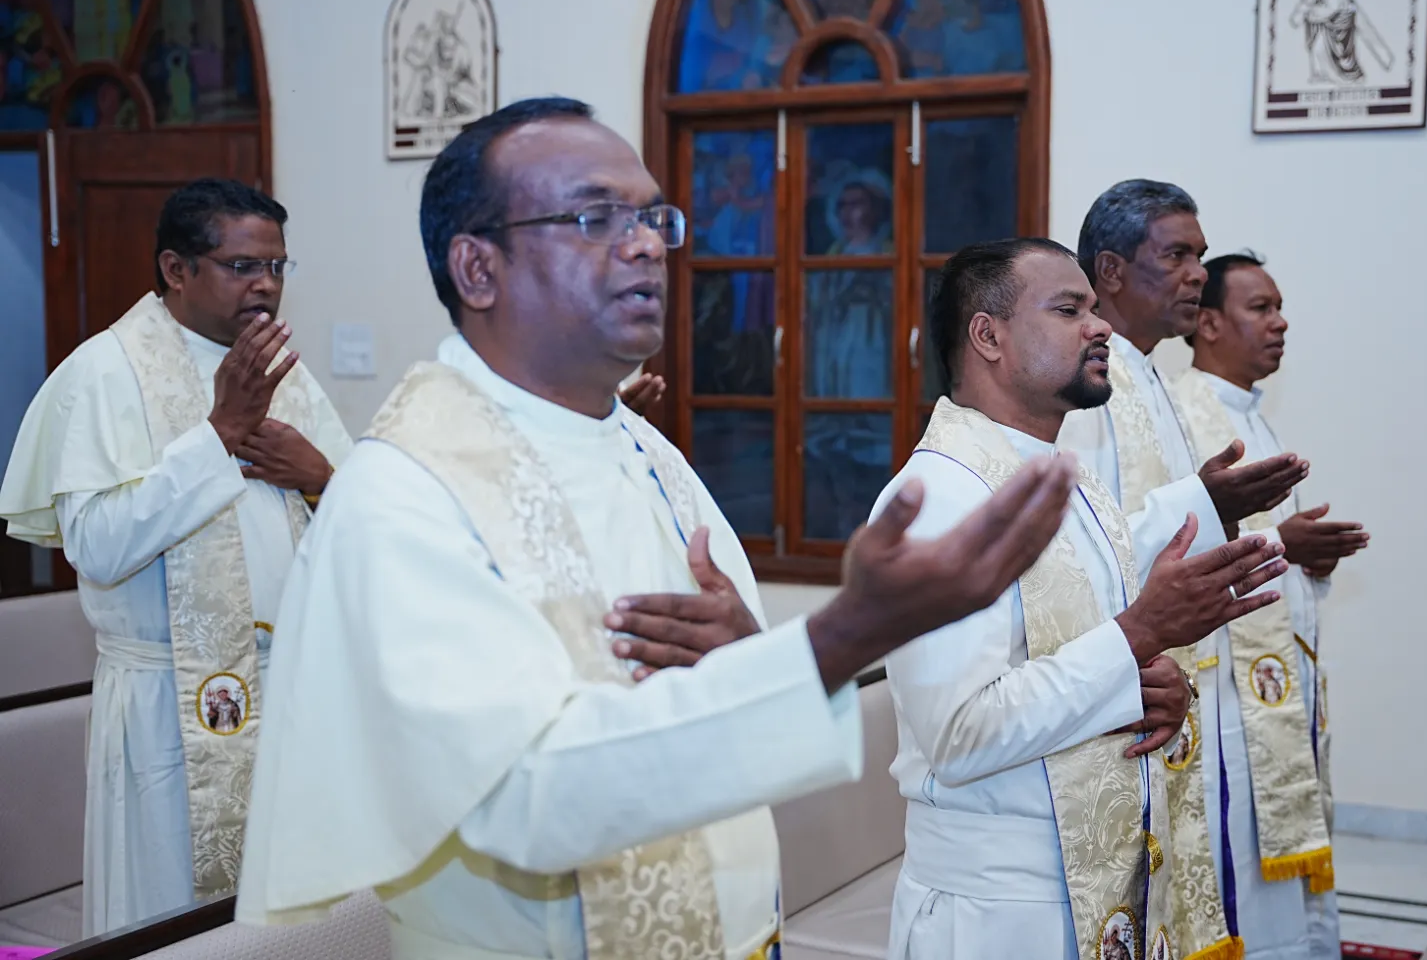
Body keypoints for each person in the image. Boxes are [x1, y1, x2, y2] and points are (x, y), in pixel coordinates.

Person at [234, 97, 1078, 960]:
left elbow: (718, 675)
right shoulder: (400, 492)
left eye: (651, 218)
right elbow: (520, 798)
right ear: (478, 268)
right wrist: (846, 633)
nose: (643, 244)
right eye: (594, 218)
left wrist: (750, 655)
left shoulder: (641, 449)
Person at [877, 237, 1290, 960]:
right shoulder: (937, 498)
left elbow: (1083, 660)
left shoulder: (1070, 485)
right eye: (1069, 310)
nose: (1100, 328)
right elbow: (960, 735)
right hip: (1002, 914)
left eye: (1095, 309)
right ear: (988, 336)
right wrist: (1137, 638)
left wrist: (1151, 689)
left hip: (1102, 881)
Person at [0, 178, 352, 936]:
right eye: (242, 266)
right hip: (170, 705)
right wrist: (216, 436)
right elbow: (98, 548)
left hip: (286, 688)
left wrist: (322, 478)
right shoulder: (105, 372)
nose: (266, 285)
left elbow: (362, 530)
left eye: (277, 266)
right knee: (173, 921)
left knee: (291, 919)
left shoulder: (286, 370)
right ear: (176, 268)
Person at [1064, 180, 1330, 960]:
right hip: (1124, 685)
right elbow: (1084, 547)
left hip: (1178, 679)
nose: (1195, 275)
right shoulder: (1089, 387)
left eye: (1200, 257)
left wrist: (1231, 518)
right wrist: (1208, 503)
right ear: (1112, 271)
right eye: (1177, 256)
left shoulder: (1147, 379)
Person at [1175, 251, 1371, 953]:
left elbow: (1267, 550)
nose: (1280, 323)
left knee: (1287, 895)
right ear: (1207, 324)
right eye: (1260, 308)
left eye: (1280, 307)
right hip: (1224, 705)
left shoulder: (1254, 421)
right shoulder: (1183, 417)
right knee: (1246, 889)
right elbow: (1172, 554)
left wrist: (1307, 561)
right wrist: (1285, 543)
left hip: (1274, 692)